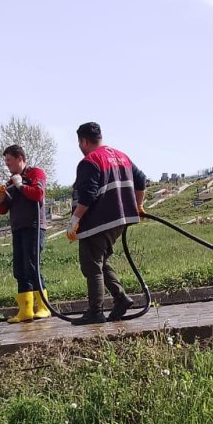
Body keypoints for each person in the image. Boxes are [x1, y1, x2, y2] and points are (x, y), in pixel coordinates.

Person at [65, 121, 147, 324]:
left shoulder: (90, 161)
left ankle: (96, 311)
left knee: (91, 265)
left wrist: (74, 220)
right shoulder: (122, 156)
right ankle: (120, 298)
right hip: (120, 219)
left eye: (79, 143)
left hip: (98, 222)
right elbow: (141, 180)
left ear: (84, 141)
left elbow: (88, 195)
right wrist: (137, 205)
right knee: (99, 261)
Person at [0, 144, 51, 322]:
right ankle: (25, 311)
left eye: (9, 160)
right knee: (20, 269)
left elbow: (38, 194)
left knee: (32, 266)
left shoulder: (35, 173)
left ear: (20, 158)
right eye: (6, 161)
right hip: (18, 228)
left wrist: (20, 185)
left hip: (34, 227)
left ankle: (43, 307)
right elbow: (2, 210)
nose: (7, 164)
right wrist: (1, 198)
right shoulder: (11, 181)